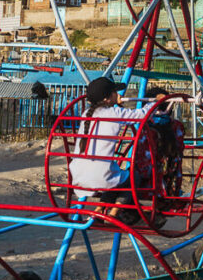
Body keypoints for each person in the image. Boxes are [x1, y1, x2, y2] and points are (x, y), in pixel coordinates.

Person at [69, 77, 163, 218]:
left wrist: (117, 105)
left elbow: (115, 116)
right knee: (133, 177)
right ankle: (114, 212)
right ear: (107, 99)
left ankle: (99, 211)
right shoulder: (113, 113)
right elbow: (141, 115)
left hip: (78, 176)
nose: (118, 94)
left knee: (114, 177)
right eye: (115, 92)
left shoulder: (86, 114)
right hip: (101, 177)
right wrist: (156, 102)